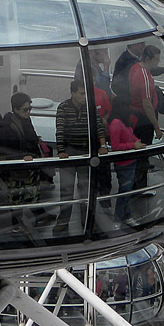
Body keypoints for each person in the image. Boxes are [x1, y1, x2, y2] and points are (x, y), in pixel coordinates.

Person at [53, 79, 109, 234]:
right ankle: (63, 221)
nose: (85, 97)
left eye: (86, 93)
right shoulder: (63, 108)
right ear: (73, 94)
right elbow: (60, 130)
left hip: (86, 152)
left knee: (86, 190)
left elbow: (99, 126)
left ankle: (88, 221)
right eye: (82, 93)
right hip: (70, 152)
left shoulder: (90, 107)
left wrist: (102, 146)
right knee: (66, 190)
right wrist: (61, 151)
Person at [0, 91, 44, 232]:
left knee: (31, 192)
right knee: (17, 196)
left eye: (30, 109)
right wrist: (21, 157)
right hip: (18, 167)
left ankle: (37, 217)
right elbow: (6, 148)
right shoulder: (8, 125)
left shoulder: (23, 120)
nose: (28, 112)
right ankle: (17, 224)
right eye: (25, 110)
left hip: (30, 164)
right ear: (16, 109)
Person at [127, 45, 164, 189]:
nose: (158, 62)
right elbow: (147, 105)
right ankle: (139, 186)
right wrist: (157, 127)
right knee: (143, 152)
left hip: (135, 116)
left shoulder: (135, 68)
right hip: (144, 120)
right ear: (148, 59)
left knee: (138, 152)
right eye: (156, 60)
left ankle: (136, 182)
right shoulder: (144, 77)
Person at [106, 96, 144, 224]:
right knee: (124, 191)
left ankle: (125, 215)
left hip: (129, 161)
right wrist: (134, 145)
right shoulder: (116, 124)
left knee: (126, 191)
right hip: (124, 163)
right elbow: (115, 147)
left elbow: (129, 135)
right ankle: (121, 216)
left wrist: (135, 140)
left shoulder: (122, 121)